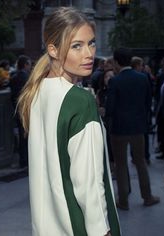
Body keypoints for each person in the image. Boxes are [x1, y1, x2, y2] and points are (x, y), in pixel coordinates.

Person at [17, 7, 120, 236]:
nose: (89, 53)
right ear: (53, 49)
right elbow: (90, 186)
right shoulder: (80, 101)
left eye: (91, 43)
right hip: (77, 228)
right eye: (77, 45)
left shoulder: (36, 92)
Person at [106, 48, 160, 210]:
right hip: (137, 127)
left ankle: (123, 201)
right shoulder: (142, 78)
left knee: (121, 165)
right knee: (140, 162)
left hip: (119, 129)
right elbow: (147, 102)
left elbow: (110, 108)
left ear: (116, 62)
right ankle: (147, 196)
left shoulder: (115, 81)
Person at [9, 55, 32, 168]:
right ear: (25, 65)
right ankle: (27, 159)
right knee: (28, 136)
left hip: (18, 109)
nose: (30, 66)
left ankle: (22, 160)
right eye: (29, 64)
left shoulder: (13, 76)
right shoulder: (27, 77)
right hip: (27, 110)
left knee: (22, 136)